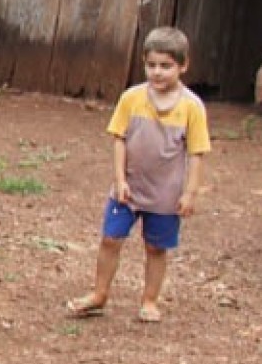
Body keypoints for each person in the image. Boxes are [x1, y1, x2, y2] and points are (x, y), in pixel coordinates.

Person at [66, 26, 210, 323]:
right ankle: (99, 293)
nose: (157, 73)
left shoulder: (191, 107)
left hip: (165, 195)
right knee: (110, 238)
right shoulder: (131, 98)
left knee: (156, 247)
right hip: (128, 188)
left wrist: (190, 192)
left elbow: (196, 153)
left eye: (166, 66)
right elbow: (119, 138)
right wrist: (119, 179)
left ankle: (150, 299)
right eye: (151, 65)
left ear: (183, 66)